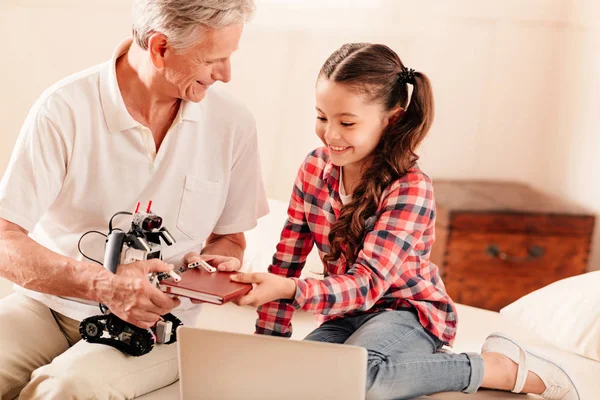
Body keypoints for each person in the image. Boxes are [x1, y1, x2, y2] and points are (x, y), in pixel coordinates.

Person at [230, 43, 579, 400]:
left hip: (409, 312)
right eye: (322, 117)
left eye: (347, 122)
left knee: (363, 380)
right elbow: (287, 260)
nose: (330, 134)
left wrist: (292, 291)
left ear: (391, 119)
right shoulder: (313, 169)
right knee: (306, 378)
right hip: (344, 314)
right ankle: (408, 367)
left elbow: (366, 284)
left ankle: (496, 367)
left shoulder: (410, 188)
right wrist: (268, 345)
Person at [0, 0, 267, 398]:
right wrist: (103, 286)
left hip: (159, 325)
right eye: (215, 59)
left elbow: (230, 239)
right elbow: (5, 239)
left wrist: (217, 262)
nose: (226, 75)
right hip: (49, 307)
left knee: (67, 388)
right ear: (160, 48)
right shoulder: (65, 108)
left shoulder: (233, 124)